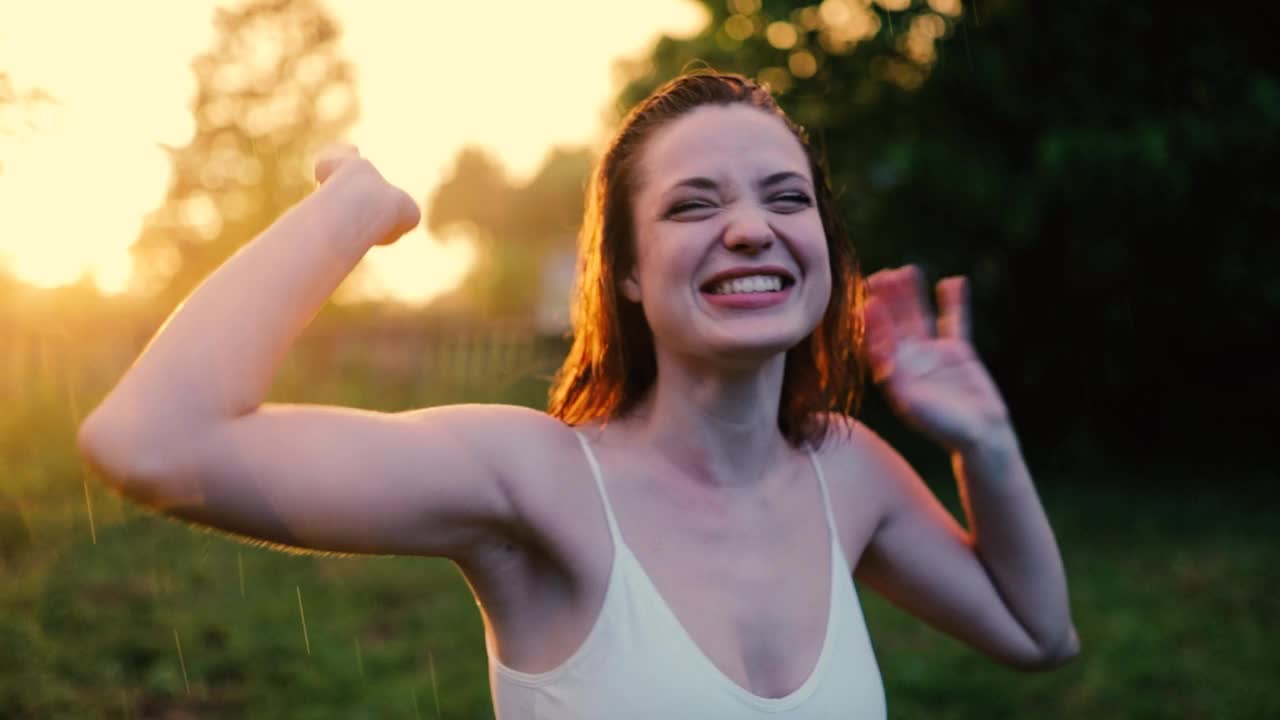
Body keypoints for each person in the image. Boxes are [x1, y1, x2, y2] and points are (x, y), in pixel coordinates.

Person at [78, 72, 1078, 717]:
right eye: (694, 203)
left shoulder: (843, 470)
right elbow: (153, 441)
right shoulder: (537, 483)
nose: (749, 229)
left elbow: (1036, 634)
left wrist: (983, 444)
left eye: (785, 198)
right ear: (628, 275)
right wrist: (349, 212)